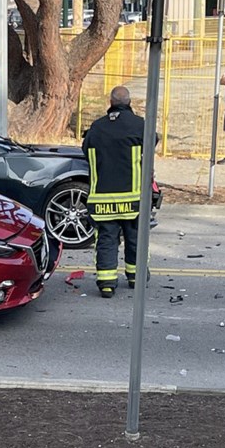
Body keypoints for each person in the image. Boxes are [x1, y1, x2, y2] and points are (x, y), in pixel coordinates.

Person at [81, 86, 149, 298]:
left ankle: (107, 283)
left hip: (102, 199)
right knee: (135, 238)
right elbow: (152, 143)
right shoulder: (139, 125)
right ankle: (135, 277)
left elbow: (86, 149)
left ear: (110, 102)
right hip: (133, 199)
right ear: (129, 102)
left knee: (106, 240)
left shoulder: (97, 127)